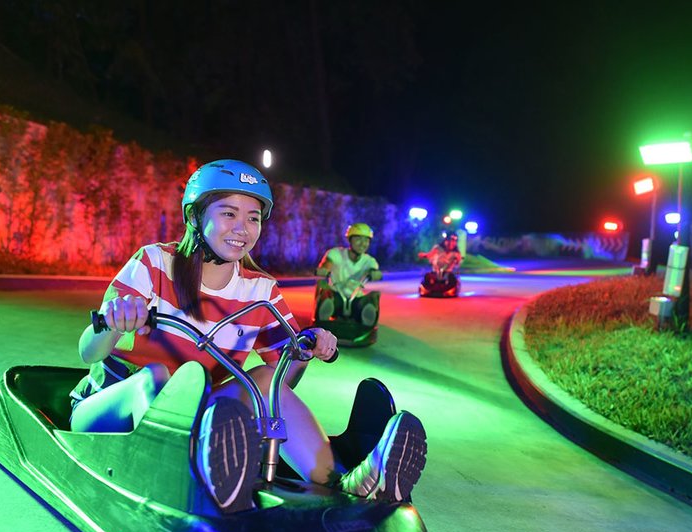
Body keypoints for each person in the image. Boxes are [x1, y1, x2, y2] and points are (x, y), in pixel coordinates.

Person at [68, 159, 426, 514]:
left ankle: (344, 483)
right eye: (228, 214)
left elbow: (281, 384)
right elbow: (89, 352)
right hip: (108, 411)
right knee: (158, 377)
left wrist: (306, 348)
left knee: (265, 379)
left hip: (194, 420)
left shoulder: (260, 290)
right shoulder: (154, 264)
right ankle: (196, 477)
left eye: (253, 218)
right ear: (195, 216)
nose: (242, 228)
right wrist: (115, 321)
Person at [314, 223, 383, 327]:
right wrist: (324, 270)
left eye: (366, 240)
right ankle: (322, 319)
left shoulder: (369, 260)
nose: (362, 244)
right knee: (324, 288)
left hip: (355, 298)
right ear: (350, 240)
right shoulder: (336, 253)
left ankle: (367, 319)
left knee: (373, 296)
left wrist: (375, 274)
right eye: (358, 239)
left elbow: (373, 270)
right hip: (336, 295)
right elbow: (327, 264)